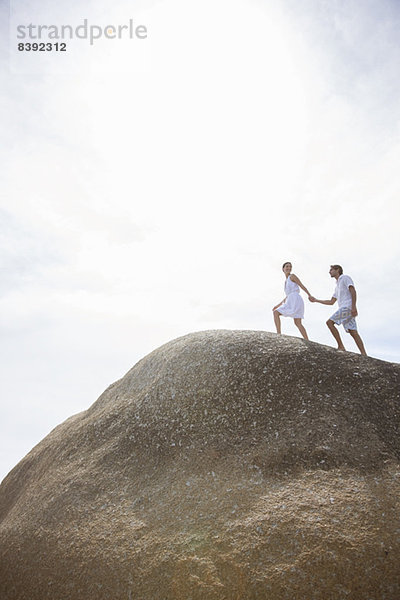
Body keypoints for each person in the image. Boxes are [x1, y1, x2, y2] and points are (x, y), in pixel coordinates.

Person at [309, 265, 367, 355]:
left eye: (331, 270)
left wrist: (354, 306)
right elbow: (331, 302)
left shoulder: (345, 278)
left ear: (338, 270)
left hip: (347, 307)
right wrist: (316, 300)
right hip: (345, 308)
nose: (329, 272)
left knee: (329, 322)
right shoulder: (337, 286)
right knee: (353, 331)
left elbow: (353, 290)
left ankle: (341, 346)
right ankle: (364, 354)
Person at [272, 262, 313, 340]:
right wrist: (277, 305)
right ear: (283, 269)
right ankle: (279, 334)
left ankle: (307, 340)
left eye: (290, 267)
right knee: (276, 312)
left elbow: (301, 285)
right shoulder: (286, 281)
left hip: (296, 300)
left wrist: (309, 295)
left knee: (298, 322)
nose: (289, 268)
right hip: (290, 300)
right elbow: (287, 296)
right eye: (287, 266)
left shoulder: (292, 276)